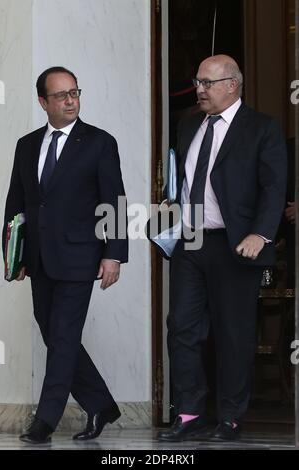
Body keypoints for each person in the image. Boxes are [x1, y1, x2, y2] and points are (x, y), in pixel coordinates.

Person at [157, 55, 287, 442]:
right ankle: (190, 412)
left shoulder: (261, 128)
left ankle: (230, 416)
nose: (199, 89)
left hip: (235, 247)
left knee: (233, 334)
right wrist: (171, 205)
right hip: (190, 242)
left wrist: (260, 233)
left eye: (207, 83)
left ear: (232, 85)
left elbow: (274, 187)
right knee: (180, 327)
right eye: (198, 82)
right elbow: (184, 175)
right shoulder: (189, 123)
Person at [2, 67, 128, 444]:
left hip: (79, 257)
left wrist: (114, 254)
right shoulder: (26, 145)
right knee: (56, 336)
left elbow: (116, 203)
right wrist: (15, 253)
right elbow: (16, 202)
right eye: (61, 95)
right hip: (39, 259)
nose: (71, 100)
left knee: (64, 335)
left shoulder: (99, 143)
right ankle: (101, 403)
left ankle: (45, 421)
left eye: (74, 92)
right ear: (43, 102)